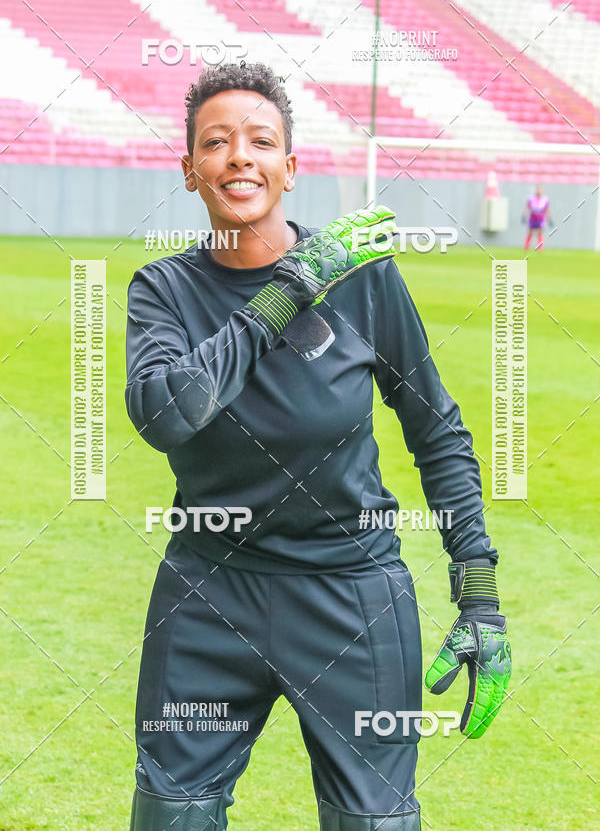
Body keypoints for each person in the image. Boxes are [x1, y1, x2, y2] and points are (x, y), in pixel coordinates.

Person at [124, 62, 511, 831]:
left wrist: (481, 594)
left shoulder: (366, 284)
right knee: (171, 818)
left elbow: (436, 429)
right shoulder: (162, 290)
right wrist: (291, 287)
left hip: (353, 600)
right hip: (208, 594)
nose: (240, 156)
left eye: (261, 141)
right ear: (191, 170)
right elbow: (171, 413)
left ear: (290, 168)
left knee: (374, 824)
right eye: (216, 142)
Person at [523, 185, 551, 250]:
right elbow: (527, 207)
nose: (539, 191)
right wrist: (524, 215)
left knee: (540, 232)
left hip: (541, 217)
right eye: (538, 189)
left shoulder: (545, 199)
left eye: (540, 190)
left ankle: (540, 247)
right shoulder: (531, 198)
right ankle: (526, 246)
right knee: (530, 232)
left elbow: (547, 209)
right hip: (533, 217)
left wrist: (549, 218)